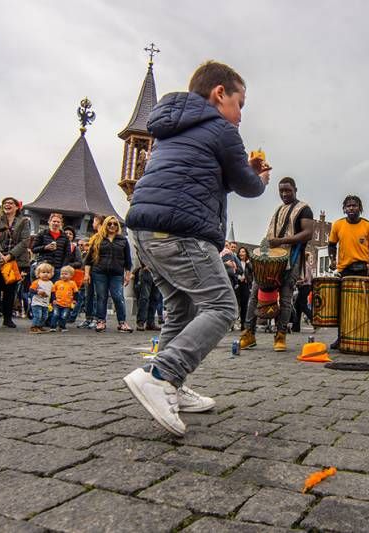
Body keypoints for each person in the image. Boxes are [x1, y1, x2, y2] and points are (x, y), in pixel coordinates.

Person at [123, 60, 270, 435]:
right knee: (222, 307)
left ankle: (172, 382)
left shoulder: (174, 128)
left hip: (143, 229)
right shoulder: (221, 129)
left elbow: (200, 173)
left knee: (181, 308)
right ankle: (161, 376)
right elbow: (247, 186)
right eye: (240, 104)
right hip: (180, 231)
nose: (239, 117)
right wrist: (259, 176)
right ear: (220, 93)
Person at [240, 177, 313, 351]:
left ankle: (280, 336)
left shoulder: (304, 209)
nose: (284, 194)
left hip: (291, 259)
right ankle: (248, 333)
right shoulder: (278, 210)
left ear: (295, 189)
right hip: (269, 260)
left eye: (288, 190)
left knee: (286, 299)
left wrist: (281, 241)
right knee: (254, 296)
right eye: (281, 191)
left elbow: (308, 233)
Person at [327, 195, 369, 349]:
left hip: (362, 270)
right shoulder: (337, 225)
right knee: (343, 307)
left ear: (360, 208)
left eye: (354, 205)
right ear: (344, 208)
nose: (351, 208)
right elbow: (331, 245)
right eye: (348, 206)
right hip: (344, 271)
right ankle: (341, 337)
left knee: (360, 306)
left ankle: (361, 336)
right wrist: (332, 260)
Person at [0, 197, 31, 328]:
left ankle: (7, 318)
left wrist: (10, 256)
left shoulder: (23, 222)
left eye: (11, 203)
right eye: (5, 203)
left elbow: (25, 241)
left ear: (17, 207)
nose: (7, 205)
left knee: (10, 291)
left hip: (14, 261)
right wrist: (0, 253)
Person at [83, 216, 133, 333]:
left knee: (118, 296)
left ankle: (122, 322)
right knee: (101, 297)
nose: (112, 226)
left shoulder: (123, 240)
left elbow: (128, 260)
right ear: (105, 225)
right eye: (109, 224)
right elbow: (89, 259)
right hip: (99, 272)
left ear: (118, 226)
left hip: (116, 273)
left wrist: (128, 274)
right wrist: (86, 274)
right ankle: (101, 321)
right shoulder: (98, 239)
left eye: (115, 224)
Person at [78, 215, 105, 329]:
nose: (92, 224)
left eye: (94, 221)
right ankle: (88, 318)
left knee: (97, 295)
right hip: (91, 268)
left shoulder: (103, 237)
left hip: (99, 269)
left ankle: (97, 318)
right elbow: (89, 256)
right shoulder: (94, 237)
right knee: (88, 294)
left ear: (98, 222)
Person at [31, 212, 69, 279]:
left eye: (58, 222)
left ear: (61, 224)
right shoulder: (42, 234)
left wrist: (63, 267)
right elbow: (33, 249)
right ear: (49, 222)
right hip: (43, 266)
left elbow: (67, 254)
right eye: (54, 221)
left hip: (57, 268)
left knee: (54, 288)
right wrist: (45, 247)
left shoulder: (65, 237)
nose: (56, 223)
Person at [134, 263, 161, 331]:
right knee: (144, 298)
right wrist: (144, 264)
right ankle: (141, 322)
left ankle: (150, 323)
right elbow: (140, 252)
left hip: (158, 271)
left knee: (155, 298)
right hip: (147, 271)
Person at [52, 265, 79, 332]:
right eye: (62, 274)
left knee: (64, 316)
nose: (63, 275)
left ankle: (62, 326)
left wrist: (75, 300)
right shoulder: (57, 283)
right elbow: (53, 292)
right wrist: (53, 299)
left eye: (66, 274)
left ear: (71, 275)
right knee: (55, 314)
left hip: (67, 304)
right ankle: (53, 326)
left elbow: (76, 292)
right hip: (57, 303)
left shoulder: (72, 283)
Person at [29, 262, 54, 334]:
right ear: (38, 273)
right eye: (43, 272)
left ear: (51, 274)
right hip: (36, 302)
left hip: (46, 303)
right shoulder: (37, 282)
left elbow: (52, 293)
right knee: (38, 315)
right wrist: (37, 292)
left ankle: (39, 326)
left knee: (45, 316)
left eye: (48, 272)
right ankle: (34, 327)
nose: (46, 274)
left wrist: (53, 300)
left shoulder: (51, 283)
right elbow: (31, 290)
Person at [235, 245, 253, 331]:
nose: (241, 253)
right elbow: (233, 271)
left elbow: (252, 270)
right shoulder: (236, 261)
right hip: (237, 284)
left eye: (243, 252)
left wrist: (248, 262)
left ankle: (243, 324)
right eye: (240, 252)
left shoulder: (248, 262)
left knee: (244, 305)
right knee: (237, 304)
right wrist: (239, 277)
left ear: (246, 253)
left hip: (246, 285)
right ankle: (234, 323)